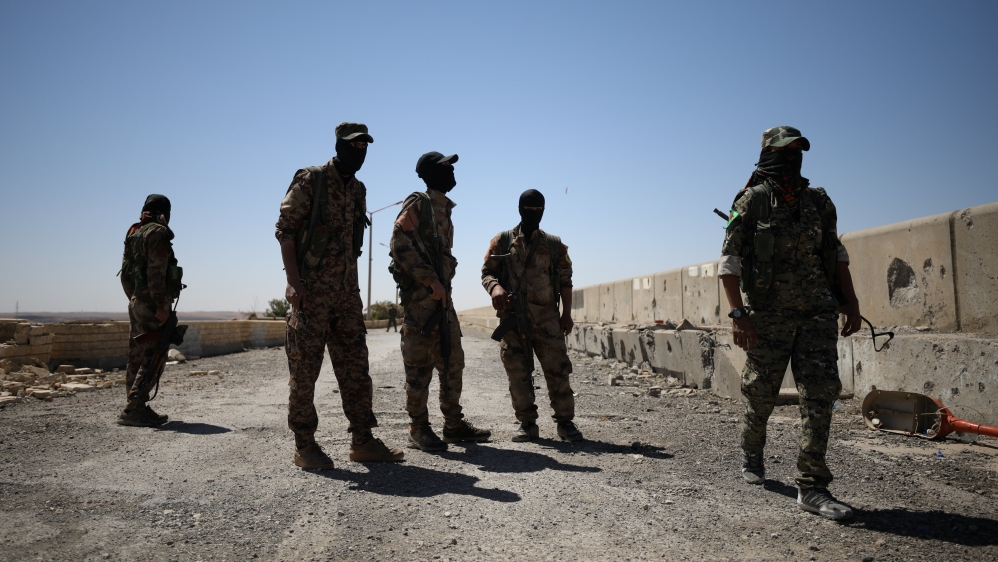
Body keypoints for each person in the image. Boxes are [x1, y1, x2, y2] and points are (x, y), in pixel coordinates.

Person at [718, 126, 862, 520]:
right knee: (760, 393)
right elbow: (728, 263)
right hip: (768, 316)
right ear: (768, 154)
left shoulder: (819, 201)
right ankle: (752, 451)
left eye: (799, 151)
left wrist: (850, 301)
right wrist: (738, 314)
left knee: (820, 395)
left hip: (817, 313)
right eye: (786, 151)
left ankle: (812, 485)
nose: (793, 158)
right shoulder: (751, 202)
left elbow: (836, 253)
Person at [275, 122, 404, 469]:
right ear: (338, 145)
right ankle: (304, 445)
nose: (359, 152)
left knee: (356, 370)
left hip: (347, 297)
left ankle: (362, 440)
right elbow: (285, 230)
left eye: (365, 146)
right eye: (353, 145)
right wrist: (293, 282)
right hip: (310, 294)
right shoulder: (311, 180)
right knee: (305, 371)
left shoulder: (359, 190)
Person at [389, 151, 491, 452]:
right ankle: (418, 428)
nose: (452, 171)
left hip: (443, 302)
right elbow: (398, 241)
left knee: (452, 362)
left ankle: (453, 425)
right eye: (446, 167)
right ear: (431, 173)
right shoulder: (418, 203)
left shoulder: (443, 210)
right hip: (421, 303)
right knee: (419, 367)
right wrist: (429, 279)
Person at [481, 189, 582, 442]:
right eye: (529, 209)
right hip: (513, 320)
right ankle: (527, 423)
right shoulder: (502, 241)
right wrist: (496, 288)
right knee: (518, 371)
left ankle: (565, 423)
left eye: (538, 210)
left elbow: (566, 282)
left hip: (547, 320)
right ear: (519, 209)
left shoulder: (555, 245)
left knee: (558, 371)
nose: (533, 214)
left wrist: (566, 315)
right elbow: (487, 273)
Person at [118, 194, 182, 427]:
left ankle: (133, 405)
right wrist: (161, 305)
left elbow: (125, 273)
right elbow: (156, 272)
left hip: (136, 300)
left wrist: (135, 299)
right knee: (155, 352)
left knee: (136, 353)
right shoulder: (157, 233)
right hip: (152, 304)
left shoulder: (134, 232)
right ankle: (135, 407)